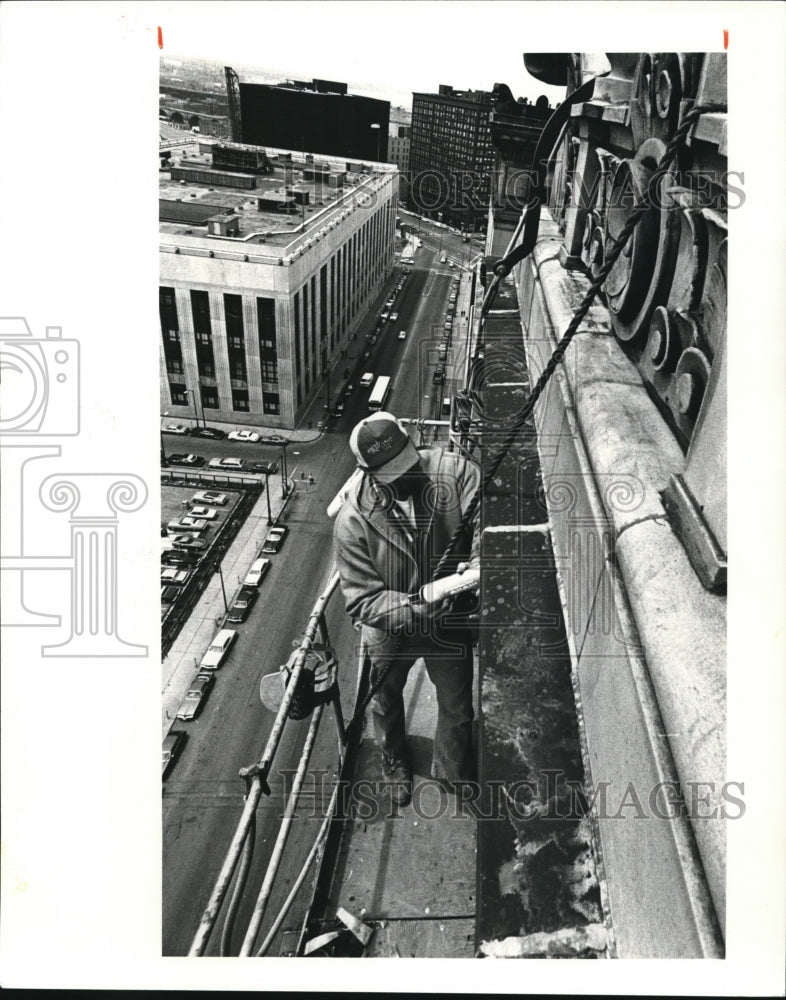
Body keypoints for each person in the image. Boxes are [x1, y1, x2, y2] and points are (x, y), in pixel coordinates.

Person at [331, 412, 480, 806]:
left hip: (446, 623)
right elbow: (363, 600)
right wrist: (413, 609)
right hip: (391, 629)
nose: (406, 478)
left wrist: (479, 559)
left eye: (408, 463)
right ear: (368, 476)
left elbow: (482, 513)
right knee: (383, 701)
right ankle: (393, 757)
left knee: (457, 705)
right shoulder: (352, 522)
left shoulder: (453, 472)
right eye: (392, 474)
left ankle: (451, 768)